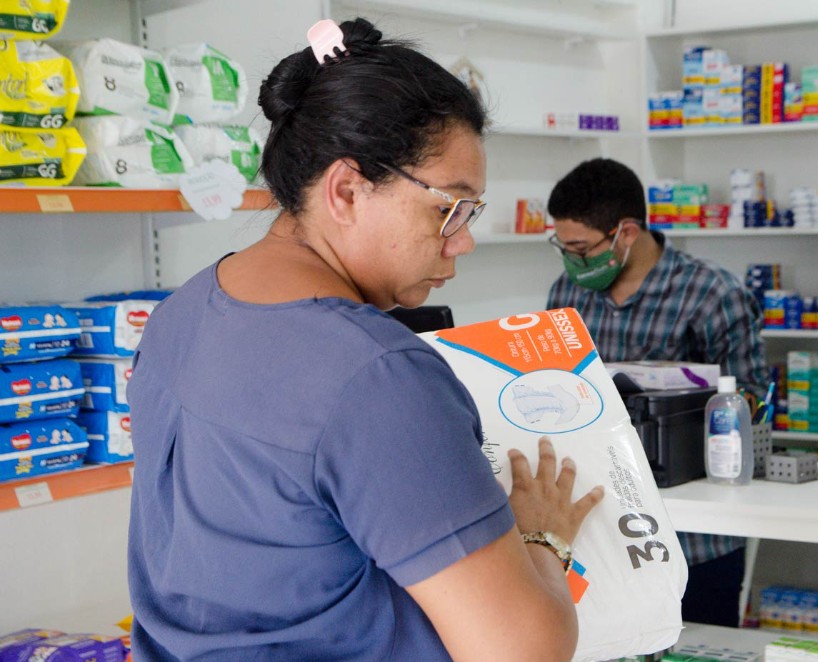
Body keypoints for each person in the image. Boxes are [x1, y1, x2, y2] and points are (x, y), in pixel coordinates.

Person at [126, 18, 603, 661]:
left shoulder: (178, 314)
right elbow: (522, 652)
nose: (463, 240)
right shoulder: (377, 374)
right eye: (449, 207)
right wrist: (541, 537)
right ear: (347, 191)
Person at [545, 158, 767, 628]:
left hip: (695, 535)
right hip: (600, 528)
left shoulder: (711, 292)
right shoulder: (568, 293)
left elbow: (750, 399)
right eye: (563, 248)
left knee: (700, 650)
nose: (572, 262)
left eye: (581, 249)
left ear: (626, 232)